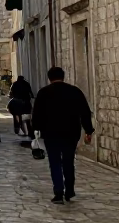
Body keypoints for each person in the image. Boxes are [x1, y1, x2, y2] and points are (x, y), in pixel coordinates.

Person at [31, 67, 94, 203]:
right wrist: (88, 130)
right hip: (71, 132)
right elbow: (85, 112)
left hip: (50, 133)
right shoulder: (75, 91)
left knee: (54, 162)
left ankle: (58, 192)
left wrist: (36, 130)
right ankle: (69, 190)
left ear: (49, 78)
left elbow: (36, 114)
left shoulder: (43, 93)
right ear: (63, 76)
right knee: (68, 161)